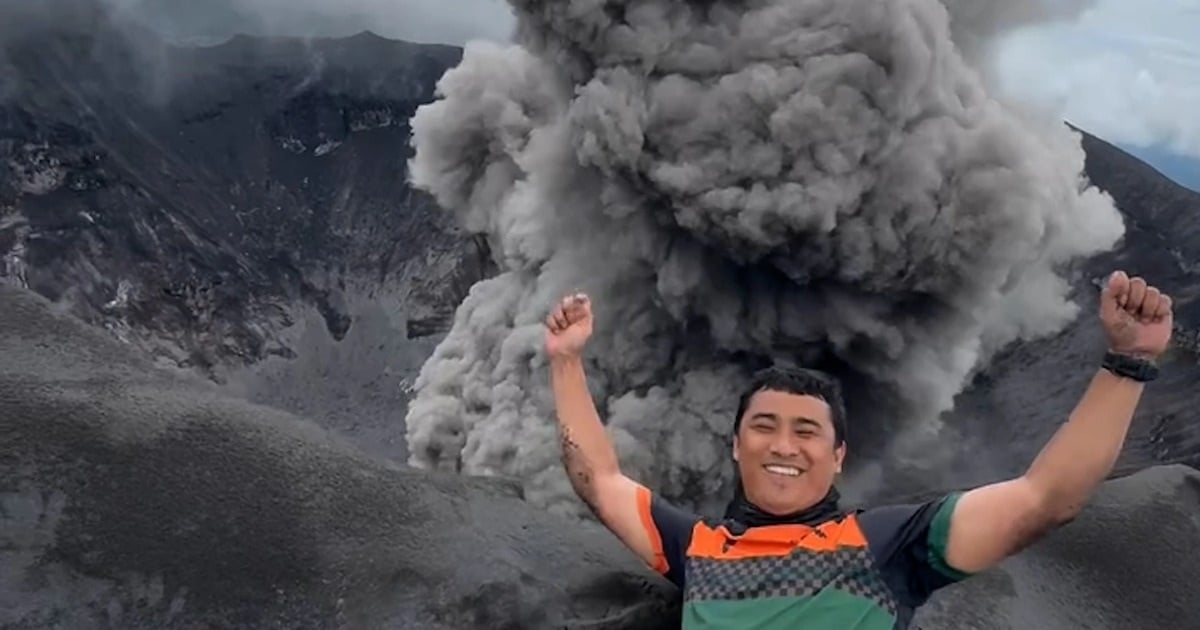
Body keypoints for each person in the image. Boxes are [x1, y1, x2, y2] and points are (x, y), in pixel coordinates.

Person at [543, 270, 1173, 630]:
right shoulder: (697, 548)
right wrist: (567, 363)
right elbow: (599, 480)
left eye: (807, 430)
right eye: (764, 426)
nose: (783, 445)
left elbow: (1046, 499)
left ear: (838, 456)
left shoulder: (889, 546)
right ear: (736, 445)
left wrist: (1128, 363)